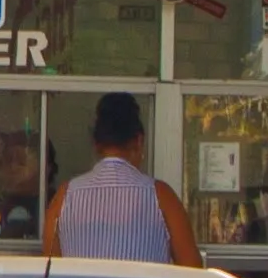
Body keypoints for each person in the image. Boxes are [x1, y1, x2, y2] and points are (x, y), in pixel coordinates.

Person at [42, 93, 199, 266]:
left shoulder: (64, 197)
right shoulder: (161, 197)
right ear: (139, 141)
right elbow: (194, 272)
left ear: (96, 143)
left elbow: (51, 270)